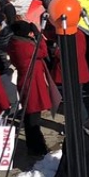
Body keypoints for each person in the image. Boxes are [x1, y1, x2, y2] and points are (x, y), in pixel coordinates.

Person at [8, 21, 53, 157]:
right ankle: (37, 147)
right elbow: (43, 52)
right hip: (32, 84)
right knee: (33, 117)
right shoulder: (25, 46)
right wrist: (39, 35)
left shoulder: (14, 43)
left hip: (28, 81)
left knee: (30, 115)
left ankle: (33, 145)